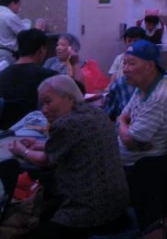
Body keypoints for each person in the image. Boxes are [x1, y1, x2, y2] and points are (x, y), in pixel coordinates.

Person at [9, 75, 129, 239]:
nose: (43, 109)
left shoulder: (65, 124)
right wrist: (38, 145)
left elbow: (46, 160)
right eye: (42, 103)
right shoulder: (95, 111)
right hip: (117, 203)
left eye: (48, 102)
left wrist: (22, 150)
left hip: (89, 211)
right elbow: (76, 144)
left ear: (70, 98)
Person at [116, 40, 167, 166]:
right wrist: (124, 123)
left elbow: (130, 141)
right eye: (124, 63)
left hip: (143, 166)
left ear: (150, 66)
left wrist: (122, 123)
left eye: (131, 64)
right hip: (130, 156)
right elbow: (123, 115)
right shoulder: (141, 87)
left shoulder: (158, 96)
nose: (125, 69)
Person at [0, 28, 57, 122]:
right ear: (41, 50)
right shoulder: (49, 77)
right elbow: (77, 94)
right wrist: (74, 64)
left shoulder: (2, 74)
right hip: (35, 131)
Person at [0, 0, 28, 68]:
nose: (19, 9)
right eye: (18, 5)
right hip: (6, 56)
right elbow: (26, 35)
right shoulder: (10, 16)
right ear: (12, 4)